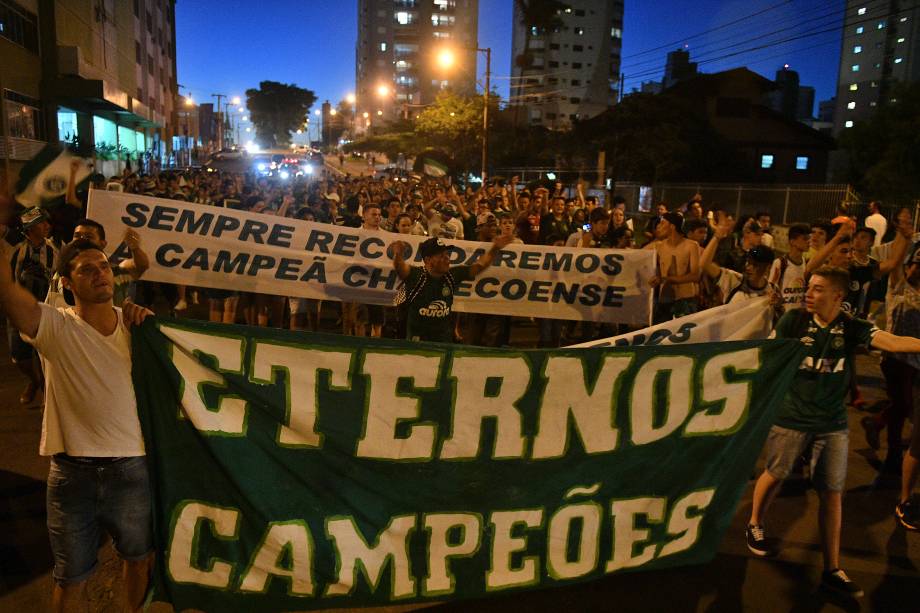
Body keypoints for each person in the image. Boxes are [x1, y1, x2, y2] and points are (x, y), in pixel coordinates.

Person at [0, 238, 154, 612]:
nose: (99, 273)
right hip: (72, 478)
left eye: (103, 266)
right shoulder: (54, 327)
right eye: (86, 269)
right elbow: (7, 293)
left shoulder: (138, 327)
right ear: (66, 283)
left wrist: (149, 324)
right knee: (71, 578)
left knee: (139, 560)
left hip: (132, 472)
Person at [746, 266, 920, 598]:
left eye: (818, 289)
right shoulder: (794, 322)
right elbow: (767, 357)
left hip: (833, 425)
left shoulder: (852, 328)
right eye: (809, 288)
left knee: (832, 494)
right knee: (776, 472)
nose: (809, 294)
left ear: (838, 296)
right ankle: (755, 523)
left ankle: (832, 569)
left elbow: (893, 342)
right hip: (792, 418)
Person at [389, 235, 513, 343]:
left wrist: (495, 248)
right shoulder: (417, 276)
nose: (447, 258)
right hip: (418, 342)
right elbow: (400, 267)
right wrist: (398, 254)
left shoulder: (453, 275)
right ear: (428, 260)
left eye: (447, 254)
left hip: (443, 342)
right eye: (441, 255)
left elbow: (480, 265)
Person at [7, 207, 58, 404]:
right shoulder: (16, 250)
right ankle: (34, 380)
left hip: (47, 308)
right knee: (19, 356)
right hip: (19, 308)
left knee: (47, 352)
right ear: (30, 228)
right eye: (42, 223)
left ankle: (46, 385)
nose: (48, 226)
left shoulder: (55, 248)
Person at [647, 211, 699, 322]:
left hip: (685, 300)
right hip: (665, 300)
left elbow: (695, 276)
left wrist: (667, 279)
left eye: (662, 223)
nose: (658, 227)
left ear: (672, 226)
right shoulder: (658, 246)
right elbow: (636, 255)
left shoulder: (691, 246)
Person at [769, 223, 810, 313]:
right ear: (792, 241)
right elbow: (771, 289)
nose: (808, 242)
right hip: (783, 315)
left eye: (809, 239)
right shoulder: (780, 263)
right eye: (805, 239)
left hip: (799, 316)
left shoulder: (807, 264)